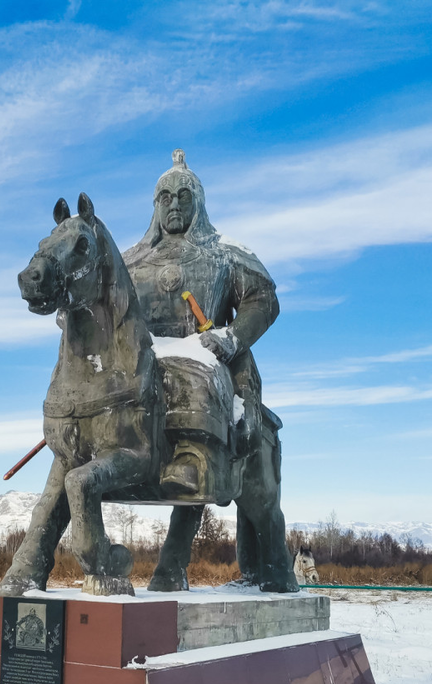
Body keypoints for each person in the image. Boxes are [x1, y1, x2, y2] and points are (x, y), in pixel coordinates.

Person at [123, 149, 297, 593]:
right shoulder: (129, 262)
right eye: (166, 197)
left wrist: (232, 337)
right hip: (143, 371)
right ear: (154, 205)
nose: (175, 205)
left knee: (231, 431)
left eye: (184, 196)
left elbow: (263, 299)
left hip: (212, 362)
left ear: (198, 204)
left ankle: (271, 558)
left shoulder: (224, 254)